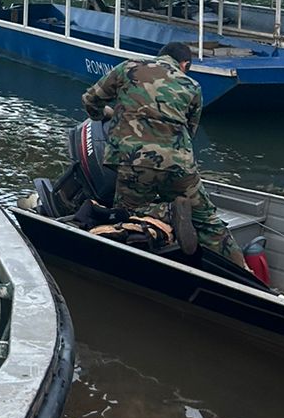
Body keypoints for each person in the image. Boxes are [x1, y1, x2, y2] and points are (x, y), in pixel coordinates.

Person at [80, 42, 249, 269]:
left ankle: (166, 211)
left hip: (134, 161)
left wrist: (102, 115)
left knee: (127, 212)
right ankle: (244, 272)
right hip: (179, 164)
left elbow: (91, 99)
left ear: (161, 55)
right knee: (209, 222)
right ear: (184, 64)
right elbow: (190, 131)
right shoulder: (192, 85)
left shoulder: (128, 67)